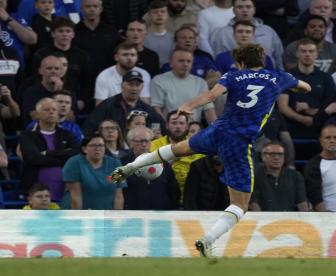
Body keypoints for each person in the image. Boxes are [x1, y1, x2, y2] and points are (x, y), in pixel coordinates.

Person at [110, 44, 311, 257]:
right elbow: (305, 87)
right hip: (239, 142)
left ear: (240, 63)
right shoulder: (278, 76)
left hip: (218, 129)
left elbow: (212, 95)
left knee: (178, 149)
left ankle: (132, 166)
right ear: (262, 60)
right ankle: (207, 240)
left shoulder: (234, 75)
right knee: (240, 205)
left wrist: (188, 105)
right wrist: (293, 85)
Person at [19, 98, 80, 201]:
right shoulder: (28, 135)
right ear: (37, 114)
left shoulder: (67, 134)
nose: (51, 112)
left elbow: (76, 155)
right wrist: (64, 157)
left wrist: (48, 153)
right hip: (37, 193)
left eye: (54, 110)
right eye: (47, 110)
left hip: (66, 190)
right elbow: (34, 159)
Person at [83, 70, 165, 136]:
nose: (134, 88)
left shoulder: (147, 109)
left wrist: (156, 133)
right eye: (130, 84)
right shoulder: (108, 105)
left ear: (142, 87)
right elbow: (89, 128)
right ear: (122, 85)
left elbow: (160, 126)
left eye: (137, 85)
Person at [151, 48, 217, 123]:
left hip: (193, 130)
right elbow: (156, 108)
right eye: (181, 61)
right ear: (171, 63)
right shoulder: (158, 81)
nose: (185, 64)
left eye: (188, 61)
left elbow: (209, 110)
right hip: (169, 129)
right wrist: (167, 127)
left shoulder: (201, 83)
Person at [61, 133, 125, 210]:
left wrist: (117, 218)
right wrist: (77, 219)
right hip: (82, 214)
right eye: (93, 145)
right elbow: (76, 196)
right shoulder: (74, 163)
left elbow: (118, 196)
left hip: (107, 215)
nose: (97, 148)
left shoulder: (115, 163)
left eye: (101, 145)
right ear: (84, 149)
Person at [122, 126, 180, 210]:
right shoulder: (122, 163)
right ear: (130, 143)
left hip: (161, 213)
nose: (144, 144)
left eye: (147, 141)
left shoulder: (162, 163)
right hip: (133, 213)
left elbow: (173, 190)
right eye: (140, 141)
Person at [150, 111, 204, 200]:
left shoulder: (196, 146)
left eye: (181, 123)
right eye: (174, 123)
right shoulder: (155, 145)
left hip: (192, 196)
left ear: (187, 126)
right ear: (167, 125)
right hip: (163, 194)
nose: (178, 126)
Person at [304, 124, 336, 212]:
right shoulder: (313, 165)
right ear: (321, 141)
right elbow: (314, 195)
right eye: (328, 137)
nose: (332, 140)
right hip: (326, 217)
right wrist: (327, 217)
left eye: (335, 137)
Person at [249, 141, 309, 212]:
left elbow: (302, 203)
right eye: (272, 154)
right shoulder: (254, 176)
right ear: (263, 156)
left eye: (280, 154)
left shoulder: (295, 176)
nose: (277, 158)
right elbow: (253, 203)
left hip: (289, 219)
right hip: (263, 219)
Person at [94, 42, 151, 106]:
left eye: (133, 55)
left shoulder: (144, 74)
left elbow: (145, 104)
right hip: (111, 113)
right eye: (125, 55)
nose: (129, 58)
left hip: (136, 113)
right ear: (116, 57)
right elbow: (100, 107)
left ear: (137, 58)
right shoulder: (104, 76)